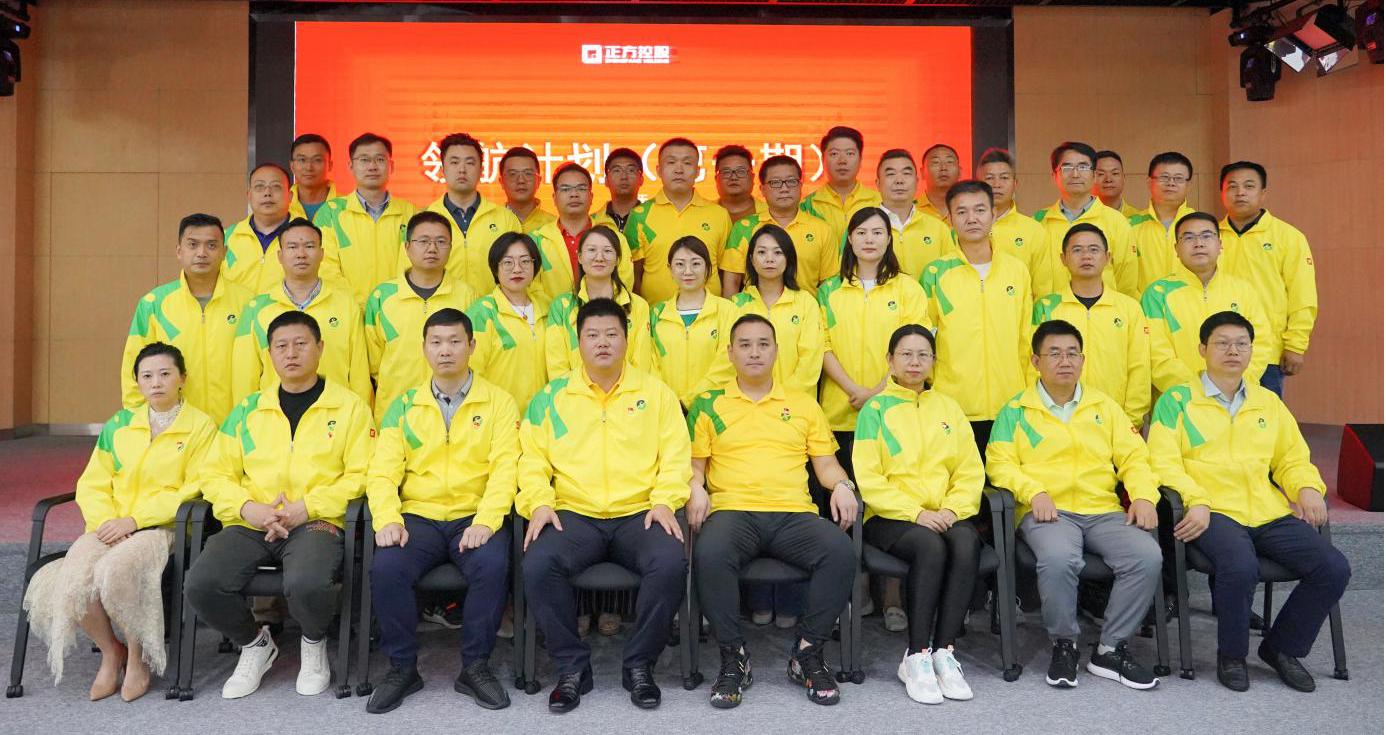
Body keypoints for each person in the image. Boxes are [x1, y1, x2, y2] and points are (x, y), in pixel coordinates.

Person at [1148, 311, 1349, 694]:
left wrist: (1307, 487)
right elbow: (1162, 462)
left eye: (1242, 344)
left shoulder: (1267, 402)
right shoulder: (1178, 400)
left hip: (1266, 510)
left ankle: (1281, 648)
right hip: (1212, 510)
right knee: (1240, 566)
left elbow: (1291, 458)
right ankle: (1232, 655)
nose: (1233, 351)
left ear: (1252, 351)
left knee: (1333, 567)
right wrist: (1195, 499)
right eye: (1222, 343)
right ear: (1202, 349)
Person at [186, 311, 373, 699]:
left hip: (316, 520)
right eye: (281, 346)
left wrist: (309, 506)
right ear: (269, 354)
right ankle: (255, 644)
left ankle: (313, 641)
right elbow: (214, 474)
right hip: (253, 521)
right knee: (202, 583)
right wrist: (247, 508)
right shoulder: (248, 410)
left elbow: (363, 473)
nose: (291, 353)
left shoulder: (350, 408)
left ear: (320, 348)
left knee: (307, 582)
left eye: (301, 344)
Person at [518, 297, 691, 713]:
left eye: (612, 334)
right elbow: (531, 460)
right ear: (577, 342)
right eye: (592, 335)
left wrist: (665, 500)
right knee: (538, 563)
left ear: (627, 340)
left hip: (640, 512)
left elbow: (676, 457)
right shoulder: (552, 397)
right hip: (574, 514)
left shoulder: (656, 394)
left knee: (670, 561)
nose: (602, 343)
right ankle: (572, 667)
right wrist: (539, 502)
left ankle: (640, 665)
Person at [23, 344, 215, 702]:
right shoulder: (119, 425)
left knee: (117, 571)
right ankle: (112, 651)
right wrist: (106, 522)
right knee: (75, 579)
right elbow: (93, 483)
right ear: (137, 383)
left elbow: (195, 488)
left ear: (182, 379)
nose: (156, 382)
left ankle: (138, 656)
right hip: (110, 525)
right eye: (147, 376)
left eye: (165, 374)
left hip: (162, 527)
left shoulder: (200, 427)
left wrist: (135, 520)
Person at [688, 314, 859, 709]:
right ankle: (734, 657)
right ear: (730, 353)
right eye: (745, 345)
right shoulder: (708, 404)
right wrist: (694, 486)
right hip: (733, 511)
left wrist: (842, 485)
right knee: (710, 553)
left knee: (839, 551)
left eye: (763, 344)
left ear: (776, 351)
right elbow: (695, 467)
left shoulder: (802, 404)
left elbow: (826, 465)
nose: (755, 352)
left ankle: (808, 653)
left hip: (792, 513)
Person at [986, 319, 1164, 691]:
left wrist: (1144, 495)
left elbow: (1135, 457)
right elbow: (999, 463)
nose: (1064, 361)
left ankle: (1110, 648)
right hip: (1048, 510)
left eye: (1072, 354)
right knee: (1058, 559)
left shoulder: (1105, 407)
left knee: (1146, 556)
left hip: (1102, 509)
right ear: (1036, 361)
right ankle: (1064, 643)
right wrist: (1033, 491)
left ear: (1083, 360)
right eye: (1054, 353)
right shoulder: (1016, 410)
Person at [364, 308, 519, 714]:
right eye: (436, 342)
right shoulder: (403, 406)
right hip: (418, 516)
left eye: (454, 342)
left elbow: (506, 469)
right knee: (387, 567)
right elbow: (381, 472)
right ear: (424, 349)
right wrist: (388, 518)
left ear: (472, 346)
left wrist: (487, 520)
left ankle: (476, 666)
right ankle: (401, 667)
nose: (445, 350)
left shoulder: (499, 403)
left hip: (474, 514)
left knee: (492, 565)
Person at [853, 325, 983, 704]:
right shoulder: (875, 410)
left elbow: (970, 470)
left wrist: (952, 508)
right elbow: (869, 478)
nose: (914, 362)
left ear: (933, 361)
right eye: (906, 354)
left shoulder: (948, 408)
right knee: (931, 547)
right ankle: (916, 654)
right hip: (889, 517)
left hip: (943, 511)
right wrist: (915, 512)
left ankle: (944, 650)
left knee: (967, 541)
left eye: (923, 354)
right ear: (890, 360)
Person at [919, 180, 1031, 457]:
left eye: (980, 210)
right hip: (952, 406)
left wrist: (1028, 393)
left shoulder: (1016, 271)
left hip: (1011, 403)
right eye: (962, 212)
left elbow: (1026, 338)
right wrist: (934, 388)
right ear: (949, 218)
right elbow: (924, 339)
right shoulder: (935, 273)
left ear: (994, 214)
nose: (972, 218)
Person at [819, 207, 930, 467]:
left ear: (889, 239)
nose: (869, 239)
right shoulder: (829, 290)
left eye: (878, 233)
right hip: (840, 410)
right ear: (849, 238)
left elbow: (914, 348)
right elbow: (822, 346)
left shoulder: (908, 288)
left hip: (894, 407)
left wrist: (876, 392)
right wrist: (854, 390)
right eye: (861, 233)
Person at [122, 213, 253, 425]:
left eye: (211, 245)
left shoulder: (249, 303)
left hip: (236, 426)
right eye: (193, 245)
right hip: (175, 428)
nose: (202, 253)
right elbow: (134, 370)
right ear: (179, 251)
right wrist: (139, 423)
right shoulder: (154, 305)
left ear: (224, 253)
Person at [233, 218, 372, 405]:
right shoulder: (256, 308)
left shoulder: (346, 305)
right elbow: (244, 376)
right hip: (275, 415)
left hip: (335, 412)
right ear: (280, 256)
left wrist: (360, 414)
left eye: (309, 246)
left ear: (322, 254)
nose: (301, 254)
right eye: (292, 247)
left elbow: (359, 374)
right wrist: (246, 416)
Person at [1032, 223, 1151, 428]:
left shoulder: (1129, 308)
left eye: (1094, 250)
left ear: (1107, 257)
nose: (1086, 256)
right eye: (1077, 250)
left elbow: (1139, 367)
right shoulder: (1046, 307)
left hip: (1115, 422)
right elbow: (1034, 367)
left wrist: (1129, 421)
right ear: (1063, 258)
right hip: (1057, 421)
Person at [363, 211, 479, 417]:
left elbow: (475, 355)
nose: (432, 248)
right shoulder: (382, 297)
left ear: (451, 247)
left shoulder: (467, 295)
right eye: (423, 241)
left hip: (456, 410)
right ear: (407, 247)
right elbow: (372, 362)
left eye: (441, 242)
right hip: (397, 410)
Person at [1217, 161, 1318, 398]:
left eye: (1249, 186)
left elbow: (1302, 295)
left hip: (1266, 351)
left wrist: (1296, 345)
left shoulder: (1288, 237)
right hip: (1216, 347)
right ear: (1221, 193)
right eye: (1232, 186)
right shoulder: (1210, 236)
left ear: (1263, 193)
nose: (1240, 193)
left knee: (1262, 415)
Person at [1142, 211, 1272, 393]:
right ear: (1176, 249)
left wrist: (1233, 384)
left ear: (1220, 244)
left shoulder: (1243, 290)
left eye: (1206, 236)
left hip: (1237, 396)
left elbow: (1261, 343)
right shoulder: (1157, 295)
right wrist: (1198, 390)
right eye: (1189, 237)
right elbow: (1156, 354)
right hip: (1181, 399)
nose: (1199, 243)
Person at [315, 132, 418, 305]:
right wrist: (353, 306)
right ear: (350, 166)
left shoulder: (410, 212)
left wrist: (393, 304)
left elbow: (415, 265)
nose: (372, 166)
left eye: (380, 159)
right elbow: (325, 267)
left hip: (397, 308)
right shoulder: (331, 213)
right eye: (364, 160)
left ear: (391, 166)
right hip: (347, 309)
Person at [625, 137, 732, 303]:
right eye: (671, 162)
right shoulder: (639, 215)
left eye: (687, 163)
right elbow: (633, 273)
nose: (679, 170)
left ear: (698, 171)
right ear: (659, 170)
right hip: (656, 313)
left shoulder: (719, 214)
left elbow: (727, 272)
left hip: (711, 313)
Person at [729, 224, 825, 398]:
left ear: (789, 258)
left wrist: (780, 398)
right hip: (748, 403)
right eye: (762, 252)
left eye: (778, 252)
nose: (769, 259)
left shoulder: (806, 303)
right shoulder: (736, 305)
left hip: (796, 403)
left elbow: (810, 361)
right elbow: (730, 360)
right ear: (751, 259)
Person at [545, 225, 655, 376]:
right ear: (580, 257)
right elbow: (557, 367)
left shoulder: (638, 305)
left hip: (629, 390)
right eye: (591, 250)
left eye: (607, 251)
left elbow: (642, 364)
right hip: (573, 390)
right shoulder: (561, 307)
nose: (599, 257)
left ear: (617, 260)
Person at [422, 133, 523, 296]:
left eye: (470, 163)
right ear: (442, 169)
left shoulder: (505, 219)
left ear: (481, 170)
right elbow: (411, 273)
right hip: (442, 310)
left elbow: (522, 273)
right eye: (454, 162)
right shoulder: (424, 220)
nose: (462, 169)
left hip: (493, 309)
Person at [1032, 142, 1138, 298]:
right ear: (1054, 176)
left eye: (1083, 167)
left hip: (1102, 310)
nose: (1075, 174)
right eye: (1067, 168)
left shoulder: (1116, 221)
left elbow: (1126, 282)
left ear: (1094, 175)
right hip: (1050, 311)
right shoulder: (1038, 222)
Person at [722, 155, 838, 293]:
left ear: (800, 186)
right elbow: (732, 282)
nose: (784, 188)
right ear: (762, 189)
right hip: (755, 306)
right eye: (775, 182)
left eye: (791, 181)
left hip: (806, 307)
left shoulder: (822, 229)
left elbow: (829, 285)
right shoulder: (744, 228)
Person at [529, 162, 635, 306]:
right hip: (551, 318)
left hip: (603, 316)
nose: (574, 194)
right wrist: (560, 314)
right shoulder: (535, 240)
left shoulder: (614, 239)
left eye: (581, 188)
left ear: (591, 197)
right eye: (565, 189)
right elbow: (531, 289)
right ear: (554, 198)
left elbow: (623, 284)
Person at [650, 236, 736, 408]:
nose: (688, 271)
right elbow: (650, 363)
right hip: (665, 408)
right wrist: (669, 402)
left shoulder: (728, 310)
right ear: (670, 269)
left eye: (696, 264)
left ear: (708, 268)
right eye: (680, 264)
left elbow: (727, 363)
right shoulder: (656, 313)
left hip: (714, 408)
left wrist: (688, 402)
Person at [467, 232, 551, 409]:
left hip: (543, 416)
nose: (517, 269)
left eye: (525, 261)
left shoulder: (548, 308)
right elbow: (471, 374)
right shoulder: (482, 313)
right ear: (495, 268)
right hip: (500, 416)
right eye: (507, 262)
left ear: (535, 265)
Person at [979, 147, 1051, 291]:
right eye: (989, 178)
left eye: (1004, 178)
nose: (996, 184)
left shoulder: (1033, 230)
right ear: (978, 184)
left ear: (1015, 184)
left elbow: (1043, 287)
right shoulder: (966, 227)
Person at [800, 126, 882, 248]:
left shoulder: (879, 202)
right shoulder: (807, 206)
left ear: (860, 160)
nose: (842, 160)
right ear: (823, 159)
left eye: (850, 153)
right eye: (834, 154)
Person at [876, 149, 951, 279]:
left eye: (906, 173)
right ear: (877, 184)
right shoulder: (862, 227)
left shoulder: (938, 228)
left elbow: (950, 277)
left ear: (916, 181)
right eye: (891, 174)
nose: (899, 180)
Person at [223, 163, 295, 295]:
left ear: (290, 196)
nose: (267, 193)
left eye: (276, 187)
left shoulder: (308, 237)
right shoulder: (226, 238)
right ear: (249, 195)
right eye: (259, 187)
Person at [1130, 152, 1198, 292]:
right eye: (1164, 177)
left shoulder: (1200, 226)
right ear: (1149, 182)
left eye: (1178, 178)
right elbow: (1123, 276)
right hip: (1142, 305)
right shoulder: (1129, 226)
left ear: (1189, 185)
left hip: (1190, 304)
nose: (1171, 183)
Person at [500, 146, 557, 233]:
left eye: (528, 174)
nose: (521, 180)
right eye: (513, 174)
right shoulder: (489, 223)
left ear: (538, 181)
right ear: (501, 182)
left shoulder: (554, 225)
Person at [289, 133, 337, 222]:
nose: (309, 167)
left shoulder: (347, 206)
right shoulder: (280, 207)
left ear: (330, 165)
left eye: (317, 160)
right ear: (292, 166)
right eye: (302, 160)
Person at [601, 147, 645, 233]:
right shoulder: (594, 222)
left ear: (641, 179)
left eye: (631, 170)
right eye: (617, 170)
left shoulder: (653, 217)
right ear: (606, 181)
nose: (624, 177)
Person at [713, 144, 760, 223]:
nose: (734, 177)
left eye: (741, 171)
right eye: (726, 172)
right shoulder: (702, 213)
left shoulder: (771, 212)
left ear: (752, 177)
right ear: (716, 179)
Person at [918, 144, 962, 222]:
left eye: (949, 162)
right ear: (922, 172)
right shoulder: (910, 209)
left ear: (960, 172)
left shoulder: (971, 208)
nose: (943, 168)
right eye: (936, 162)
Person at [1093, 150, 1142, 218]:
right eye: (1101, 174)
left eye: (1115, 173)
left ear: (1124, 178)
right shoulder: (1081, 218)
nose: (1108, 180)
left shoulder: (1138, 218)